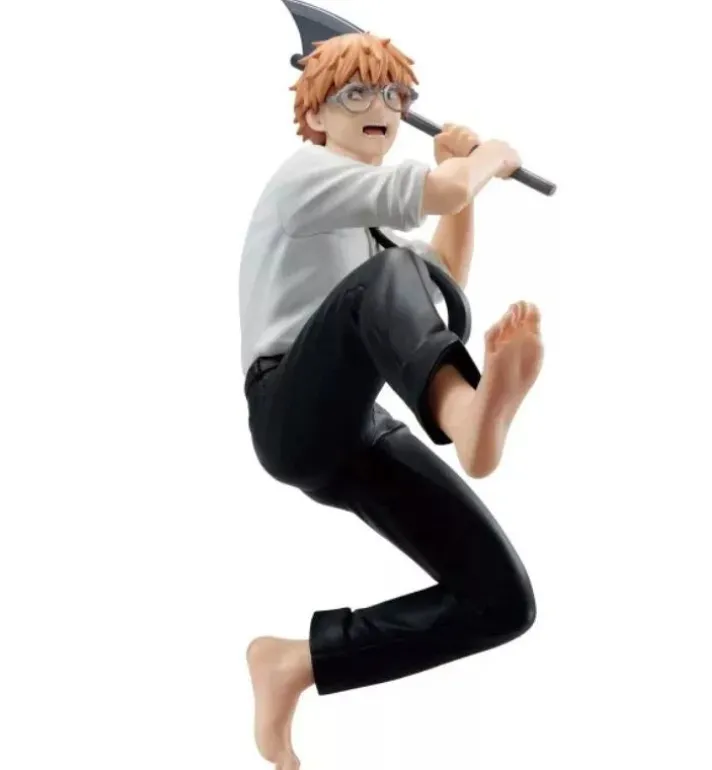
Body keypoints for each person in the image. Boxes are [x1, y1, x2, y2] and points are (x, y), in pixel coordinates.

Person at [239, 31, 544, 768]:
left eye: (394, 95)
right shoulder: (309, 174)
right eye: (356, 94)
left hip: (353, 425)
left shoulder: (369, 226)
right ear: (316, 116)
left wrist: (458, 174)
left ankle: (294, 662)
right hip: (288, 408)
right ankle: (465, 413)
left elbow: (443, 276)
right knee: (383, 282)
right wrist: (485, 160)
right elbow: (443, 195)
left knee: (500, 601)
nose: (379, 106)